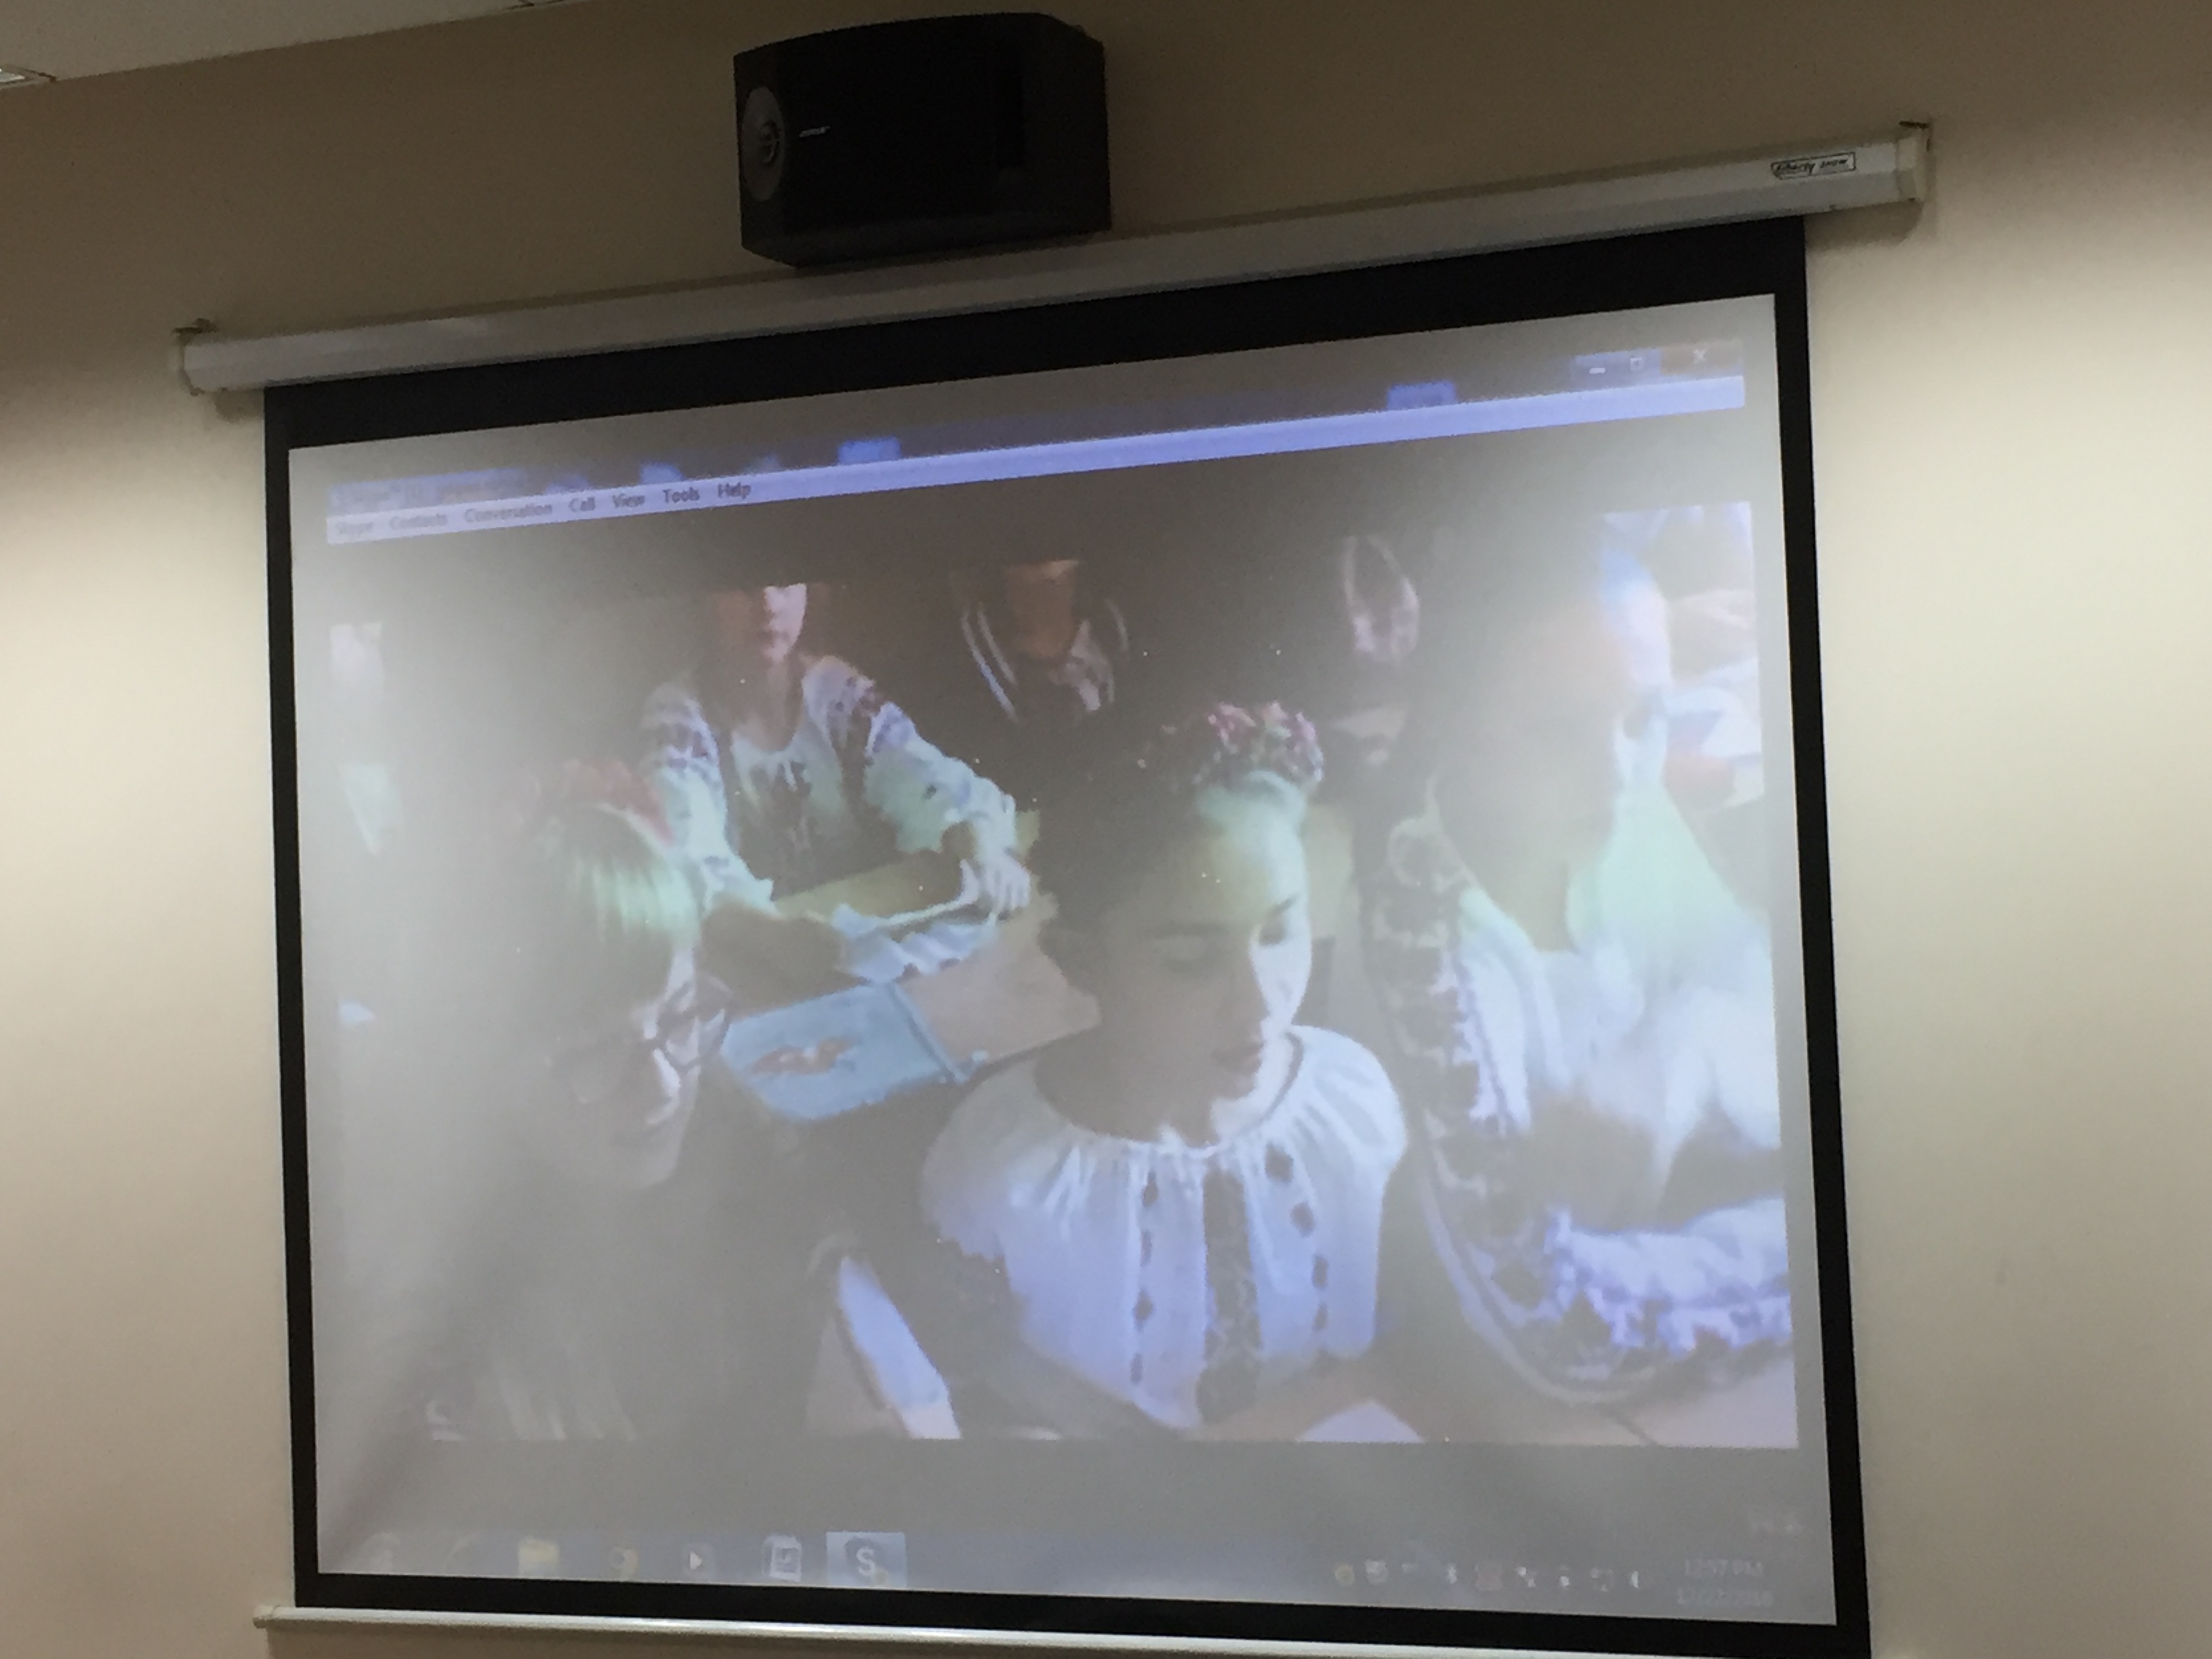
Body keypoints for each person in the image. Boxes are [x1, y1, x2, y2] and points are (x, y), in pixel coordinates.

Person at [1358, 520, 1790, 1412]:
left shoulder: (1619, 809)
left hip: (1683, 1286)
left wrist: (1690, 1045)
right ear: (1452, 725)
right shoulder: (1415, 928)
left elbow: (1779, 1027)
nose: (1616, 772)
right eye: (1558, 732)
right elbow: (1553, 1325)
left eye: (1643, 716)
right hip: (1481, 1411)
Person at [918, 704, 1407, 1434]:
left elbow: (1397, 1330)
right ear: (1082, 961)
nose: (1258, 1002)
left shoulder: (1351, 1104)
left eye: (1279, 930)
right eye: (1191, 960)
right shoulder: (1007, 1174)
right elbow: (980, 1366)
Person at [352, 773, 816, 1446]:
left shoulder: (720, 1111)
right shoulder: (434, 1331)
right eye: (594, 1051)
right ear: (481, 1067)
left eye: (680, 1014)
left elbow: (811, 1235)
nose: (663, 1085)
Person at [642, 583, 1031, 990]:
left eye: (784, 583)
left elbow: (920, 774)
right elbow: (684, 845)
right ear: (704, 600)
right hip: (757, 973)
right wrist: (764, 932)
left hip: (864, 959)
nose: (769, 605)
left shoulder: (836, 692)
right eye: (742, 588)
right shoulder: (678, 716)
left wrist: (973, 835)